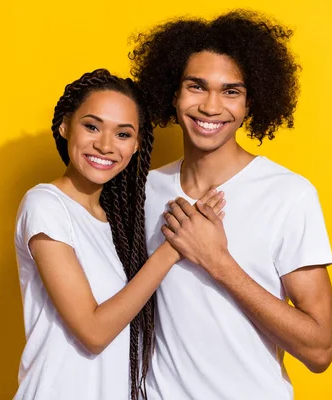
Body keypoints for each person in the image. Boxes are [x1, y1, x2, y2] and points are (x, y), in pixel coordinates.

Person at [129, 10, 332, 400]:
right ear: (173, 94)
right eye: (196, 86)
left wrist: (218, 261)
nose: (210, 106)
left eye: (230, 91)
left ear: (249, 103)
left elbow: (320, 350)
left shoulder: (288, 194)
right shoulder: (144, 190)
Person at [13, 69, 224, 400]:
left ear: (137, 144)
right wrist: (176, 247)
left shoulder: (118, 225)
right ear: (65, 125)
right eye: (92, 126)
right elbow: (93, 332)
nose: (106, 145)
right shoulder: (45, 205)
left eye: (123, 134)